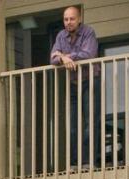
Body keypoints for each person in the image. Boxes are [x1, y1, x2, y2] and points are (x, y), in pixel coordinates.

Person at [50, 5, 99, 168]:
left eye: (72, 19)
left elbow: (88, 54)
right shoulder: (61, 36)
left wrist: (66, 56)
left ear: (79, 19)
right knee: (72, 126)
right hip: (73, 84)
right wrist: (62, 59)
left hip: (90, 81)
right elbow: (52, 59)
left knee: (89, 123)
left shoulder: (88, 32)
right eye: (66, 19)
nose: (68, 22)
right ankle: (74, 162)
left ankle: (88, 162)